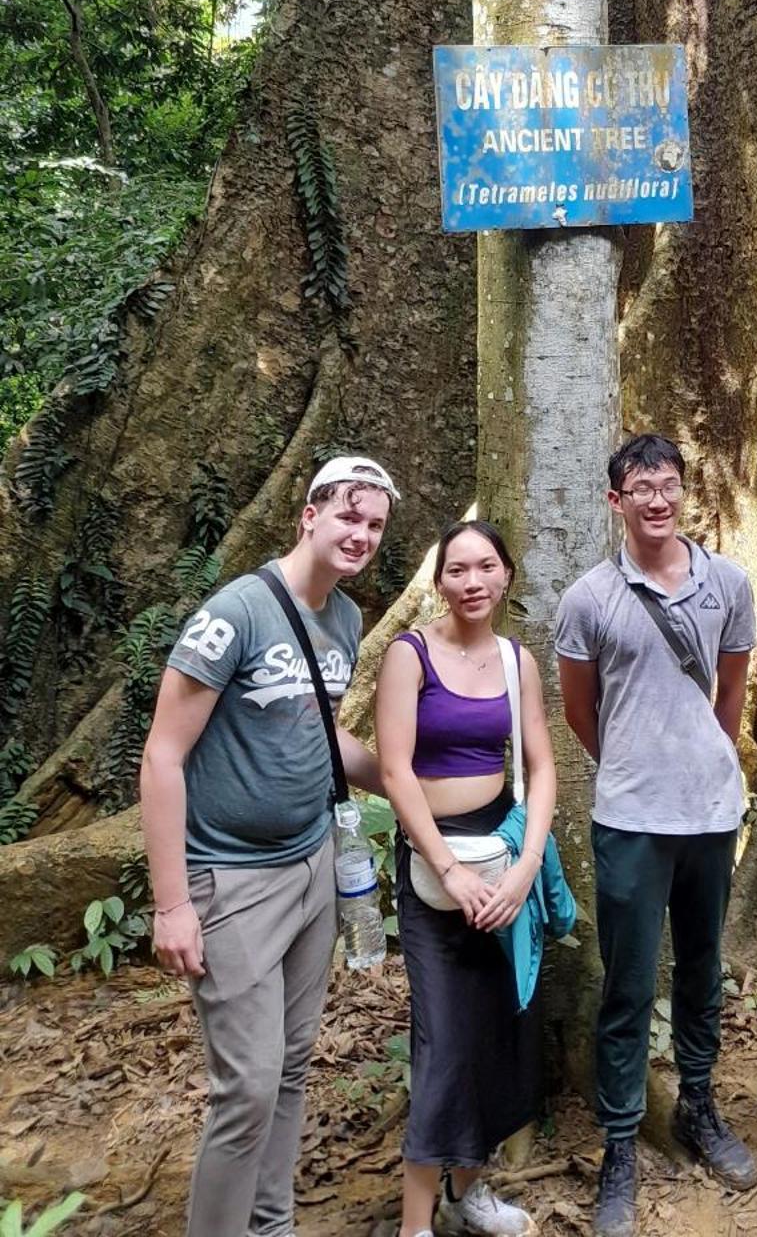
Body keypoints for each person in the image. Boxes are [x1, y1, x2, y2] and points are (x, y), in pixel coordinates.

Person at [140, 456, 396, 1237]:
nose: (359, 534)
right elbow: (162, 755)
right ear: (308, 517)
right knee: (246, 1084)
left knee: (289, 1067)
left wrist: (411, 784)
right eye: (347, 515)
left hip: (312, 865)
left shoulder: (346, 619)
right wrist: (173, 904)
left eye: (375, 525)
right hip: (232, 878)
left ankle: (270, 1225)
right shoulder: (239, 611)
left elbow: (322, 735)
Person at [555, 433, 757, 1237]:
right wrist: (635, 765)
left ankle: (698, 1108)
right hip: (631, 821)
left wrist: (700, 764)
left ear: (684, 491)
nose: (656, 499)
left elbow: (733, 690)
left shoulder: (729, 583)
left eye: (668, 484)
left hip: (710, 815)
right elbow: (580, 710)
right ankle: (618, 1146)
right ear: (616, 501)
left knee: (704, 968)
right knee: (629, 983)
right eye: (639, 487)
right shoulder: (589, 599)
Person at [375, 520, 557, 1237]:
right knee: (444, 1042)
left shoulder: (518, 662)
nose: (472, 581)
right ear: (440, 580)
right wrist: (446, 867)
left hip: (501, 858)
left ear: (506, 575)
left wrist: (526, 868)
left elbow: (541, 768)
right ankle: (416, 1224)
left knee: (494, 1034)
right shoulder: (409, 655)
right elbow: (394, 770)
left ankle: (467, 1194)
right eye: (458, 569)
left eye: (485, 567)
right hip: (433, 864)